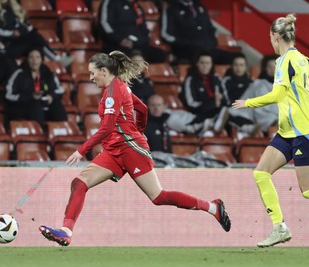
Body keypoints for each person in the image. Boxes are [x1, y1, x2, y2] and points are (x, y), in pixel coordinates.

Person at [39, 50, 231, 246]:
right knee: (79, 183)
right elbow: (142, 109)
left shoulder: (114, 91)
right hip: (115, 150)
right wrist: (137, 129)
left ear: (104, 71)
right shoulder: (119, 88)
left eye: (92, 73)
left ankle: (212, 208)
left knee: (158, 196)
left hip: (131, 149)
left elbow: (107, 128)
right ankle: (66, 231)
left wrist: (81, 150)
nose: (90, 78)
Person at [233, 13, 309, 248]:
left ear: (275, 37)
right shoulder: (302, 59)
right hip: (287, 132)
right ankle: (279, 227)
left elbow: (277, 95)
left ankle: (279, 227)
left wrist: (249, 103)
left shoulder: (285, 61)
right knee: (260, 173)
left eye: (271, 38)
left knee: (308, 189)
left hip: (304, 132)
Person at [0, 0, 73, 66]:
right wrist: (12, 33)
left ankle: (39, 77)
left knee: (37, 45)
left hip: (19, 42)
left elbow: (27, 26)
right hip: (6, 45)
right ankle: (57, 59)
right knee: (36, 37)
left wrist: (20, 31)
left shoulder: (11, 8)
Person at [5, 48, 68, 129]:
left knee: (57, 105)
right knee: (35, 104)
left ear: (42, 59)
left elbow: (59, 90)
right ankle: (39, 134)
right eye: (31, 57)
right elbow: (8, 95)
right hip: (22, 106)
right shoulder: (19, 74)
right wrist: (30, 97)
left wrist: (51, 96)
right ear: (27, 59)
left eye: (37, 57)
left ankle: (63, 132)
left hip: (43, 106)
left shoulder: (48, 74)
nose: (34, 60)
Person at [161, 0, 236, 64]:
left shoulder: (200, 6)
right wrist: (185, 43)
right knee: (203, 59)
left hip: (208, 48)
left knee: (234, 59)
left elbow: (210, 28)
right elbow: (166, 34)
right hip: (187, 50)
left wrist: (213, 41)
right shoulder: (171, 9)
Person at [98, 0, 167, 63]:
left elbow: (144, 30)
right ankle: (137, 75)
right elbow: (104, 24)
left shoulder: (137, 7)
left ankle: (143, 75)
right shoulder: (110, 2)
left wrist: (141, 41)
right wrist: (120, 40)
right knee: (135, 57)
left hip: (137, 45)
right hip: (116, 44)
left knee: (160, 55)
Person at [179, 52, 228, 136]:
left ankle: (214, 123)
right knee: (219, 108)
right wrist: (211, 103)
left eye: (208, 63)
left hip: (217, 109)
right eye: (202, 63)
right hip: (199, 111)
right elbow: (191, 103)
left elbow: (225, 99)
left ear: (211, 65)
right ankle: (212, 123)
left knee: (230, 109)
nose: (205, 66)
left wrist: (219, 99)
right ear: (197, 64)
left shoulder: (216, 78)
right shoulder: (191, 79)